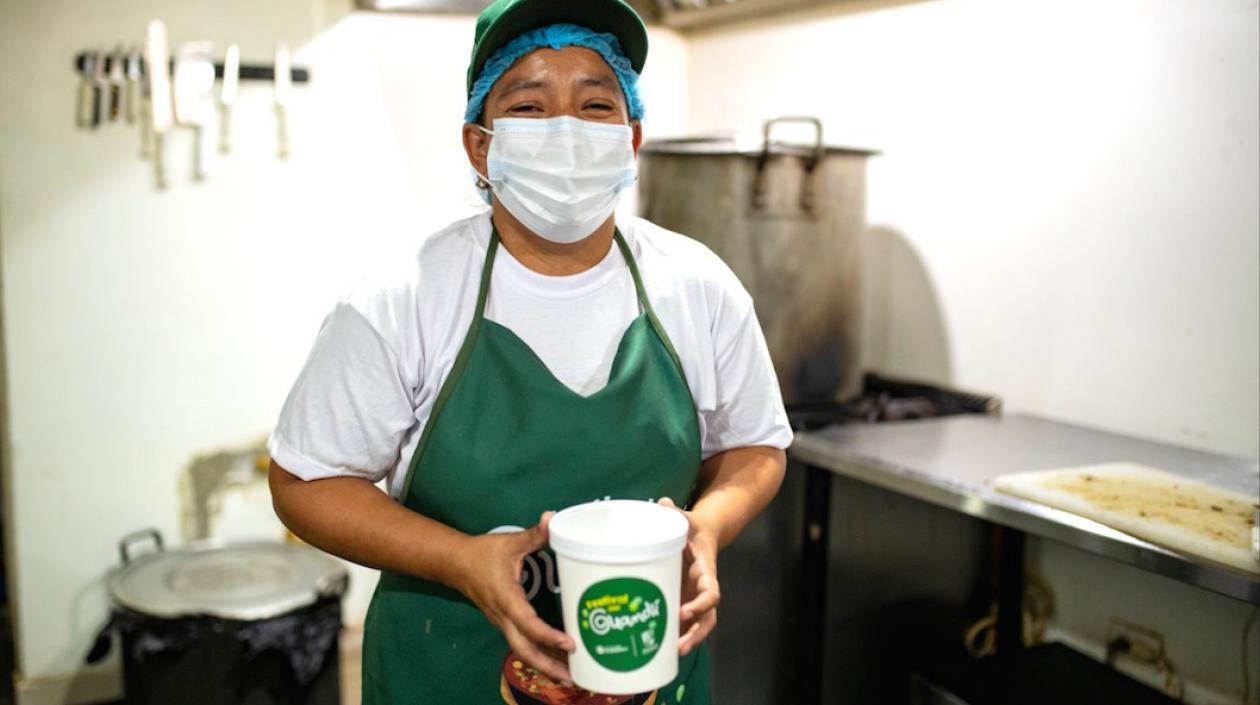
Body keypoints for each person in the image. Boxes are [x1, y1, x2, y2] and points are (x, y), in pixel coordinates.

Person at [267, 0, 792, 702]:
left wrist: (705, 528)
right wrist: (464, 560)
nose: (567, 130)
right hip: (445, 669)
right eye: (530, 106)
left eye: (596, 104)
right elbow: (304, 482)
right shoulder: (406, 297)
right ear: (481, 146)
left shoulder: (698, 286)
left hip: (644, 670)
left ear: (631, 138)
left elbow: (756, 446)